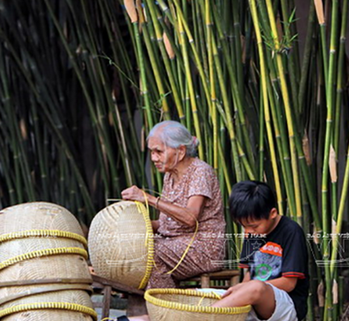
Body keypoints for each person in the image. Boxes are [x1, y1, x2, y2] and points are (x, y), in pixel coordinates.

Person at [121, 120, 226, 289]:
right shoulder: (169, 175)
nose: (154, 158)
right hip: (172, 243)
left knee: (148, 253)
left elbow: (190, 218)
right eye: (152, 152)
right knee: (131, 245)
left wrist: (148, 198)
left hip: (203, 248)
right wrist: (134, 227)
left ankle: (164, 308)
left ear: (181, 151)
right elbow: (166, 224)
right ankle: (150, 310)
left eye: (159, 152)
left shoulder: (200, 172)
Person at [211, 180, 309, 321]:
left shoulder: (291, 231)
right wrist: (243, 289)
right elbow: (249, 274)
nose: (249, 232)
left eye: (254, 226)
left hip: (286, 304)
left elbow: (289, 283)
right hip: (254, 298)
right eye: (244, 226)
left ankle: (205, 316)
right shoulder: (252, 233)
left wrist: (247, 289)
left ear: (272, 213)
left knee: (256, 287)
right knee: (202, 293)